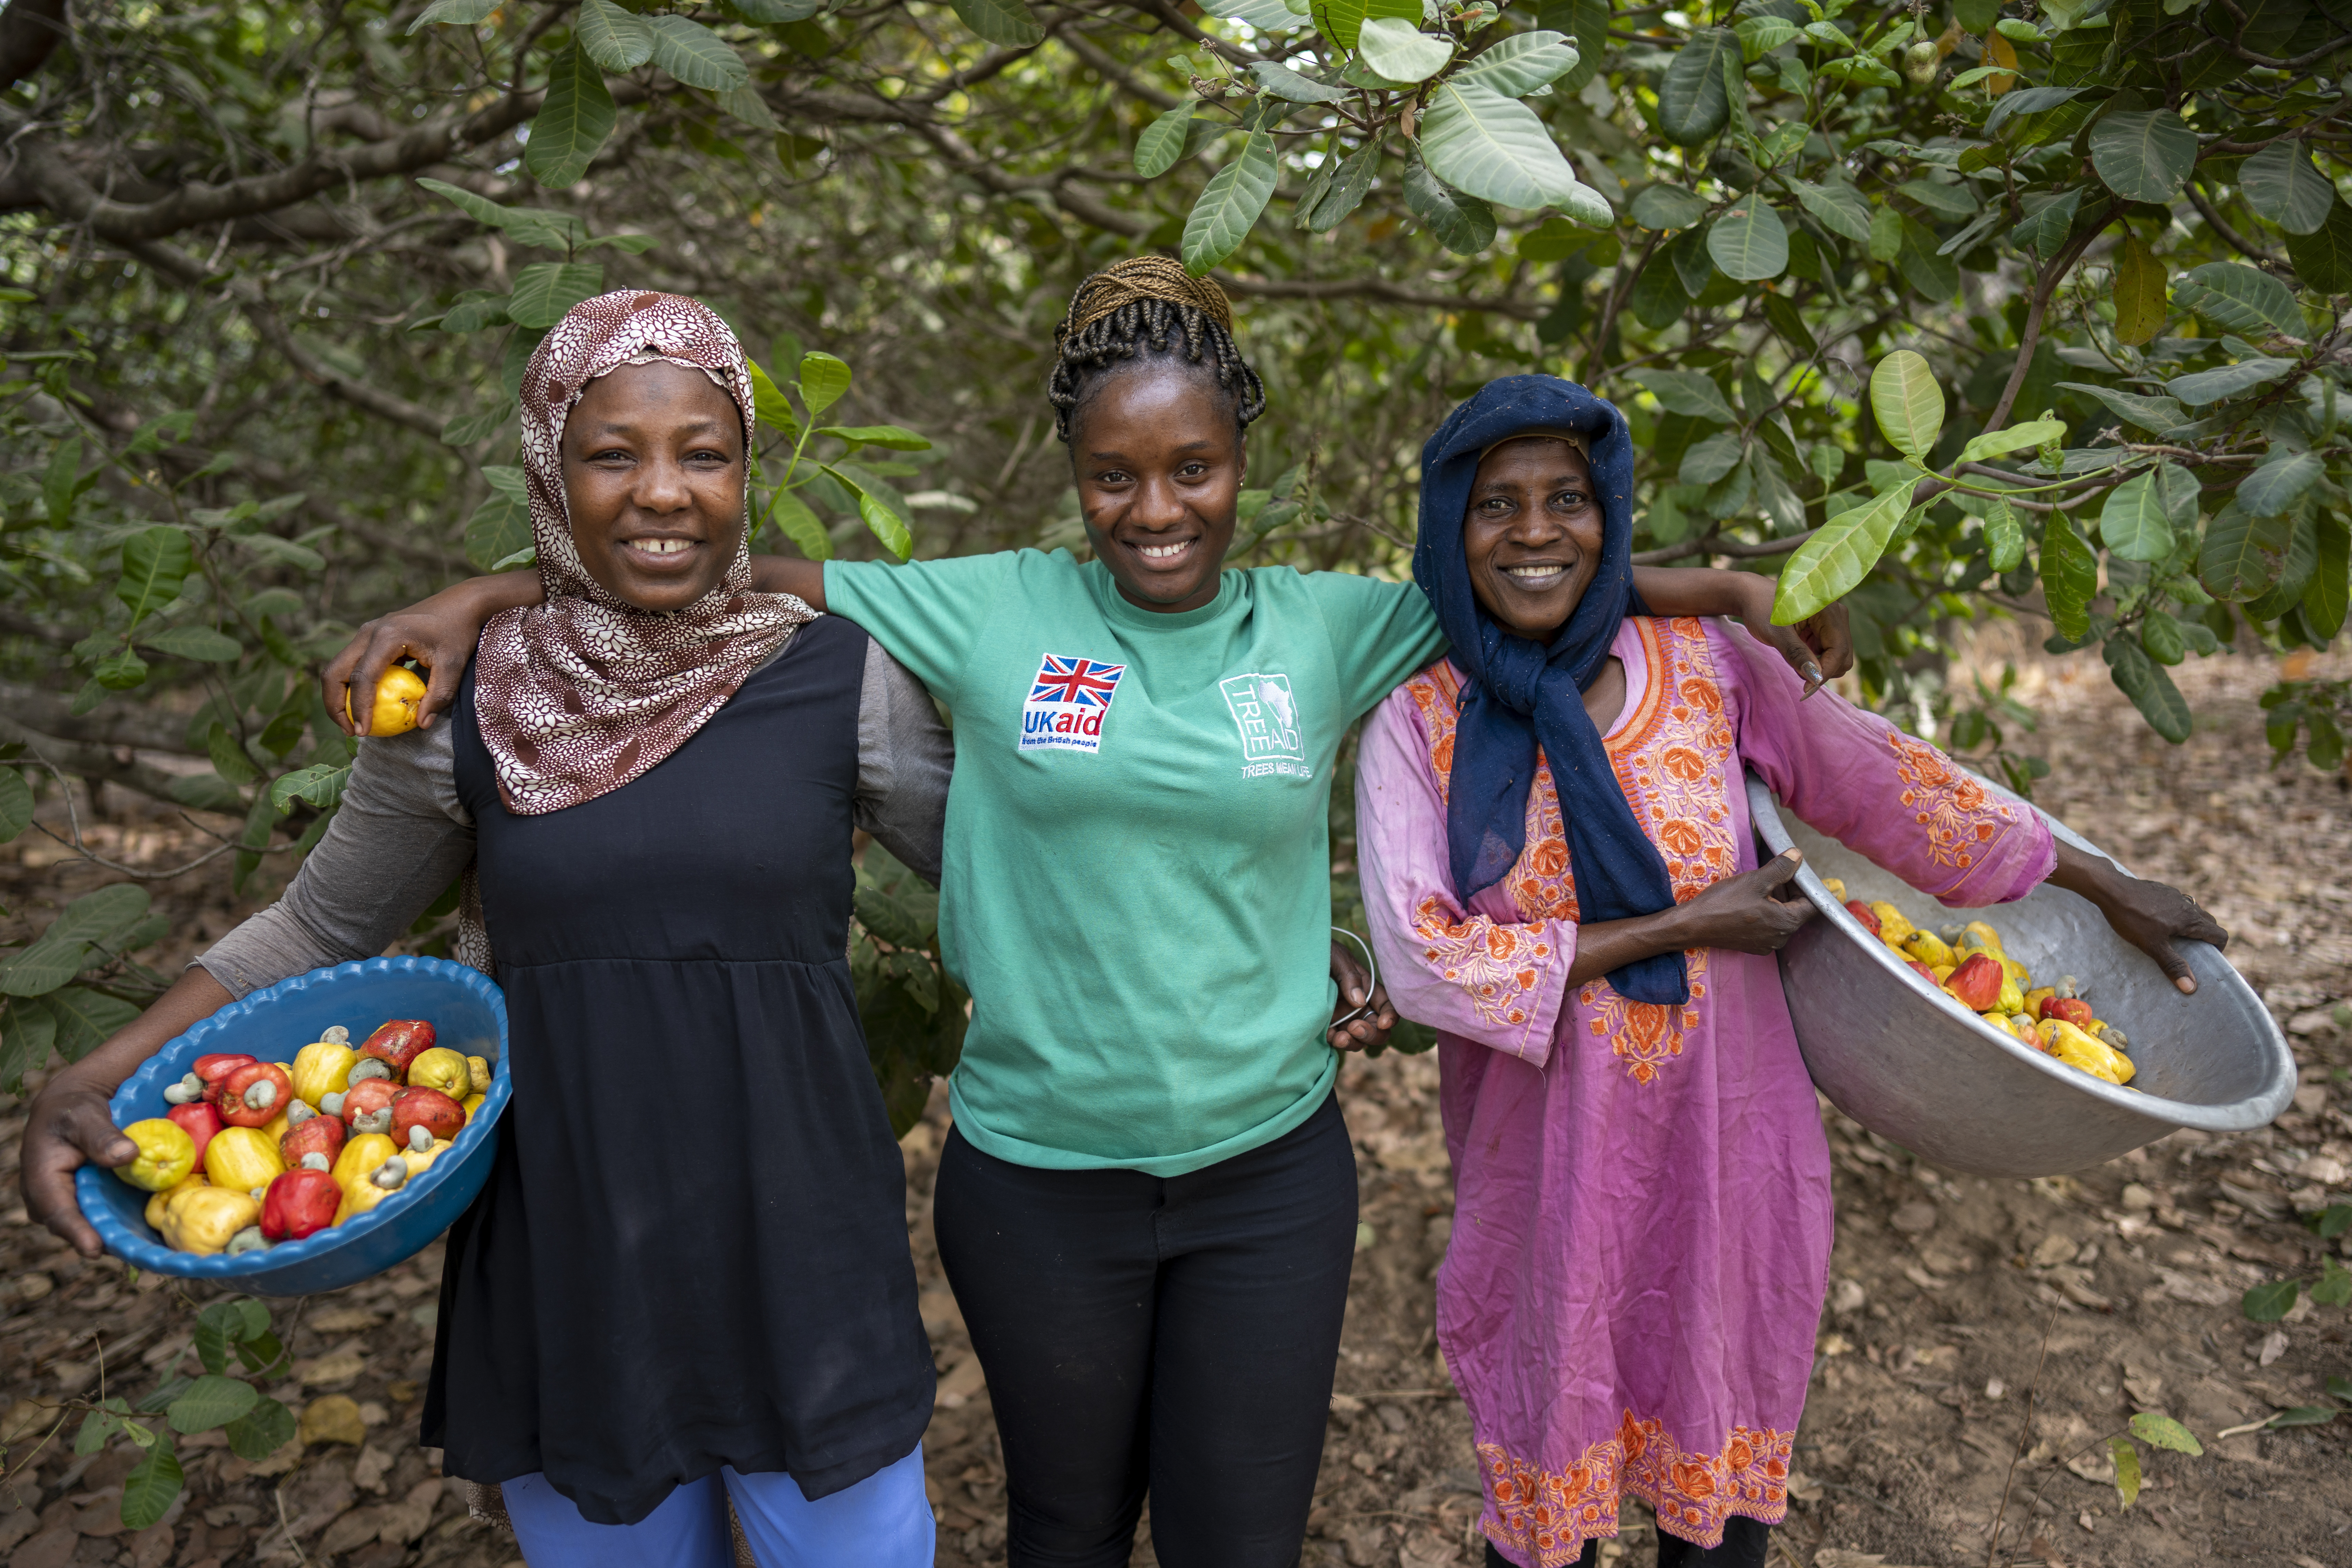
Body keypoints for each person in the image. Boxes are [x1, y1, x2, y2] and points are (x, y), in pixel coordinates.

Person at [318, 262, 1853, 1568]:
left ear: (1238, 455)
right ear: (1072, 474)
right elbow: (691, 564)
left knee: (1236, 1538)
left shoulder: (1328, 625)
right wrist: (471, 602)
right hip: (1039, 1177)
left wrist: (1727, 585)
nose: (1155, 507)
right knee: (1063, 1523)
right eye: (1115, 476)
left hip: (1271, 1175)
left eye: (1191, 469)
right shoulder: (987, 606)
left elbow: (1542, 581)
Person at [20, 292, 954, 1567]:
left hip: (800, 1238)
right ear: (548, 468)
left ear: (747, 473)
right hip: (569, 1240)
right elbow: (316, 927)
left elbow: (1012, 879)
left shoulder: (844, 676)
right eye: (611, 454)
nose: (663, 492)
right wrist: (98, 1071)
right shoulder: (464, 700)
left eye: (705, 453)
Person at [1351, 376, 2230, 1568]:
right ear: (1450, 529)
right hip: (1551, 1168)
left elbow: (1893, 787)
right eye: (1495, 504)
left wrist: (2103, 882)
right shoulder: (1419, 723)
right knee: (1549, 1481)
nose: (1536, 530)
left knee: (1717, 1494)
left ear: (1612, 514)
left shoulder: (1706, 664)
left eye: (1569, 497)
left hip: (1731, 1148)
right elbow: (1426, 962)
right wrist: (1680, 925)